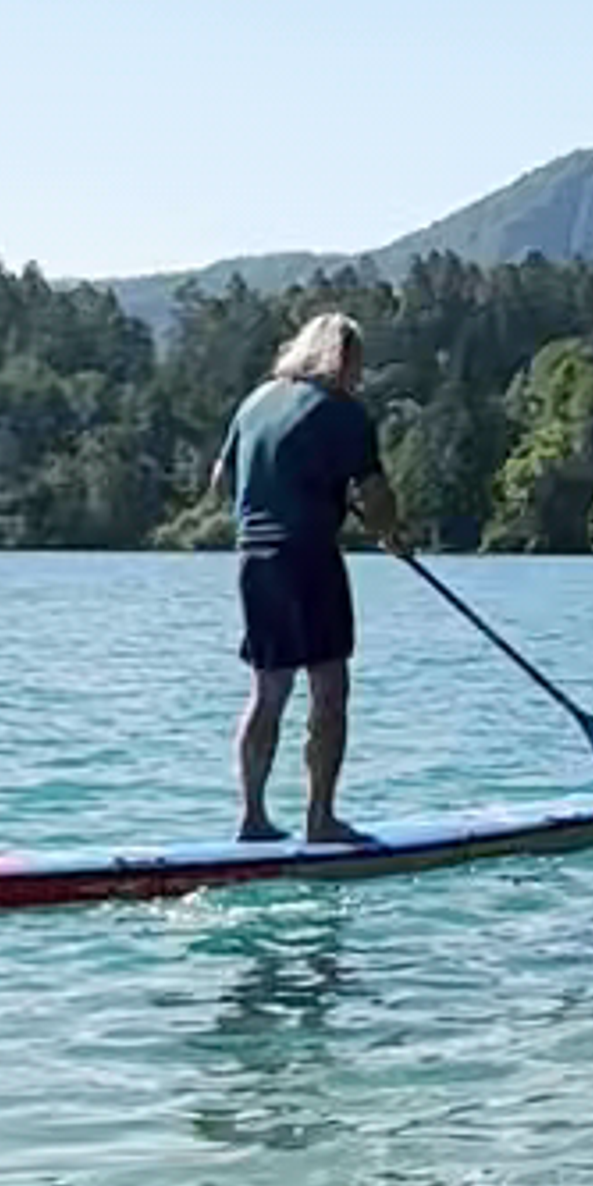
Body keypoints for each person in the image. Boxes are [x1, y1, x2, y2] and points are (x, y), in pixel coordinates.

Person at [212, 309, 410, 844]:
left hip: (253, 559)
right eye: (357, 364)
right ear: (342, 358)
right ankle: (320, 819)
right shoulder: (343, 412)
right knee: (329, 690)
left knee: (268, 691)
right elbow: (376, 496)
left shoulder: (254, 403)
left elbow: (221, 480)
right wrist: (390, 534)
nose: (358, 377)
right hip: (310, 559)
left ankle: (252, 818)